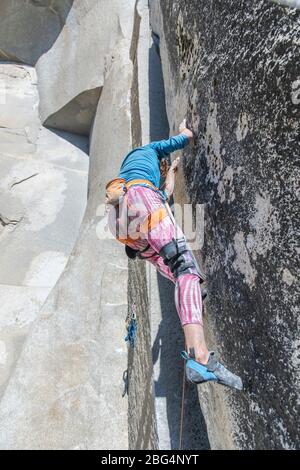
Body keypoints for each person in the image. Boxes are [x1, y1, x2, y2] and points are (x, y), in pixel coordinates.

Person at [106, 119, 242, 390]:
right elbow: (180, 140)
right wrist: (184, 130)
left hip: (122, 225)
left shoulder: (134, 173)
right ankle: (199, 357)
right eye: (165, 166)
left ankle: (193, 294)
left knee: (177, 270)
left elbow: (164, 194)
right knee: (184, 268)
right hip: (140, 201)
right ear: (158, 160)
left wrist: (173, 172)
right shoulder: (147, 151)